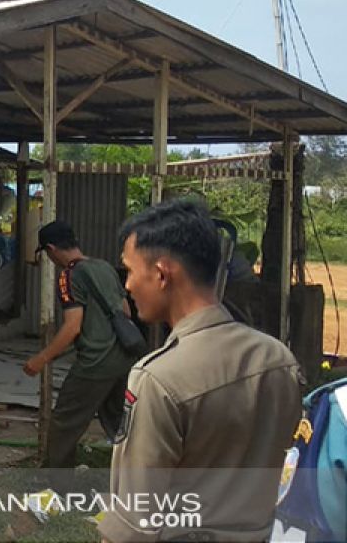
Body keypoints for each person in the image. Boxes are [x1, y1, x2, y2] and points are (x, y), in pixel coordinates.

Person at [98, 200, 302, 542]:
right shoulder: (278, 359)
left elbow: (135, 522)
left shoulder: (157, 379)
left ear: (162, 275)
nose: (128, 286)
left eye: (130, 271)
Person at [22, 220, 137, 475]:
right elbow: (126, 311)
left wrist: (42, 359)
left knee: (65, 421)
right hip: (123, 360)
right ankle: (141, 476)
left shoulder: (69, 275)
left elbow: (73, 326)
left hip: (95, 363)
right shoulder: (105, 267)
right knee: (120, 422)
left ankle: (55, 484)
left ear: (51, 249)